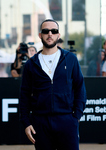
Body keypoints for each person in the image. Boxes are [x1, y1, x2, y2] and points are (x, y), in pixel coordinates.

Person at [20, 19, 86, 150]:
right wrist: (26, 123)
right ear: (40, 35)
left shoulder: (70, 59)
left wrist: (76, 117)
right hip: (41, 122)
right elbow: (24, 95)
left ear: (58, 35)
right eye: (46, 31)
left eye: (54, 31)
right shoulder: (31, 64)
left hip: (67, 120)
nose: (50, 34)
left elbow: (80, 88)